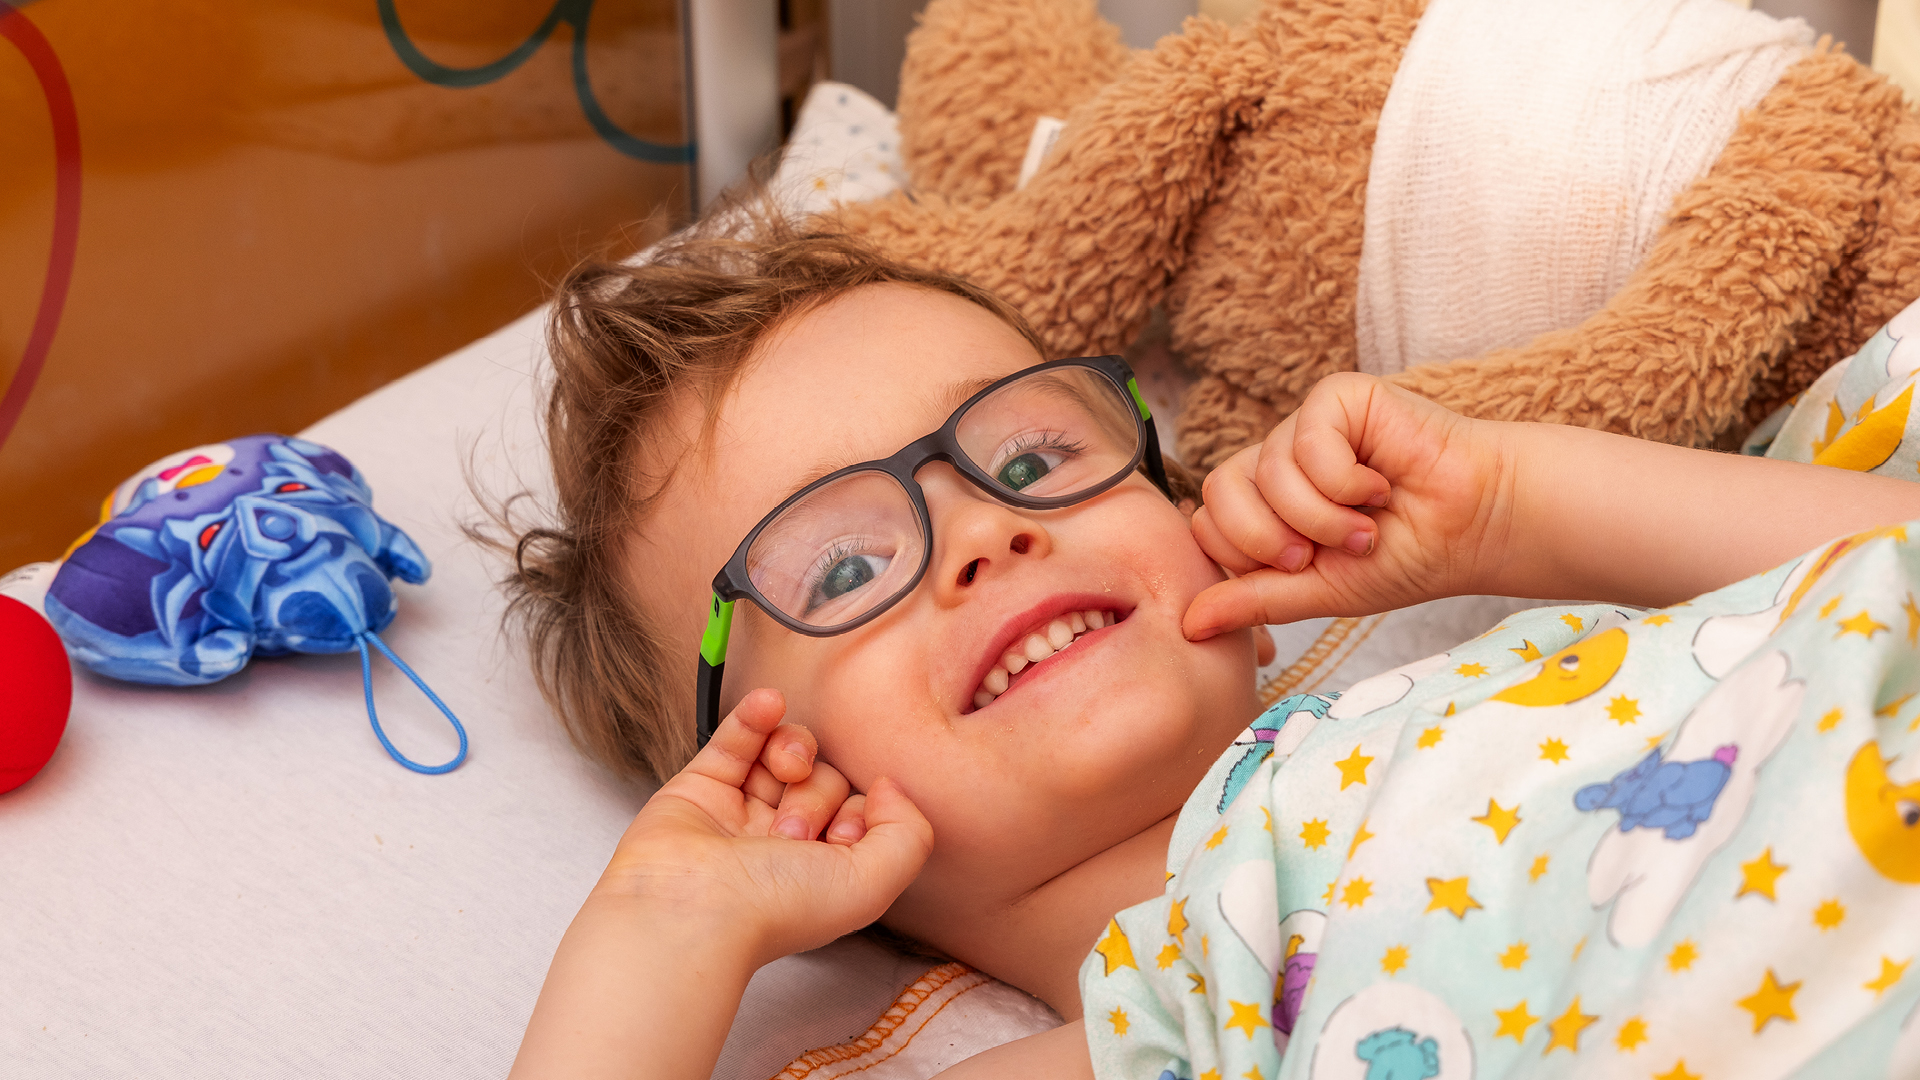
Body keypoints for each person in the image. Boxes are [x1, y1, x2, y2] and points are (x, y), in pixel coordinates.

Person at [500, 216, 1920, 1080]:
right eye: (850, 562)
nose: (989, 530)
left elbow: (1891, 554)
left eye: (1032, 447)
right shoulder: (1151, 1032)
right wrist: (667, 930)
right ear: (777, 783)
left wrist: (1516, 505)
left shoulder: (1525, 658)